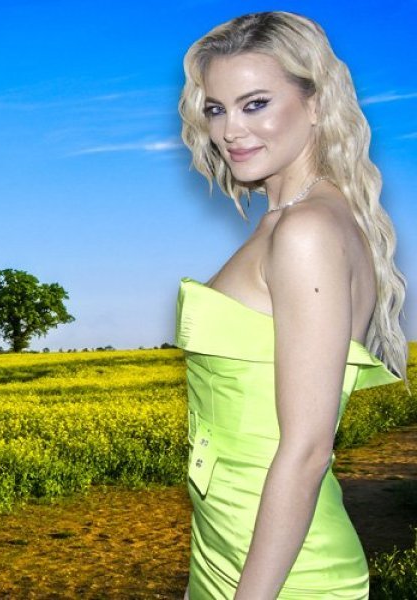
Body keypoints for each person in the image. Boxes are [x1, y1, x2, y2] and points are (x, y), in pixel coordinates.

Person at [175, 11, 408, 599]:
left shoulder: (306, 232)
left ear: (315, 103)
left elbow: (306, 451)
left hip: (283, 576)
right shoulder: (292, 220)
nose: (230, 130)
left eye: (255, 104)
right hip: (230, 548)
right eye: (215, 108)